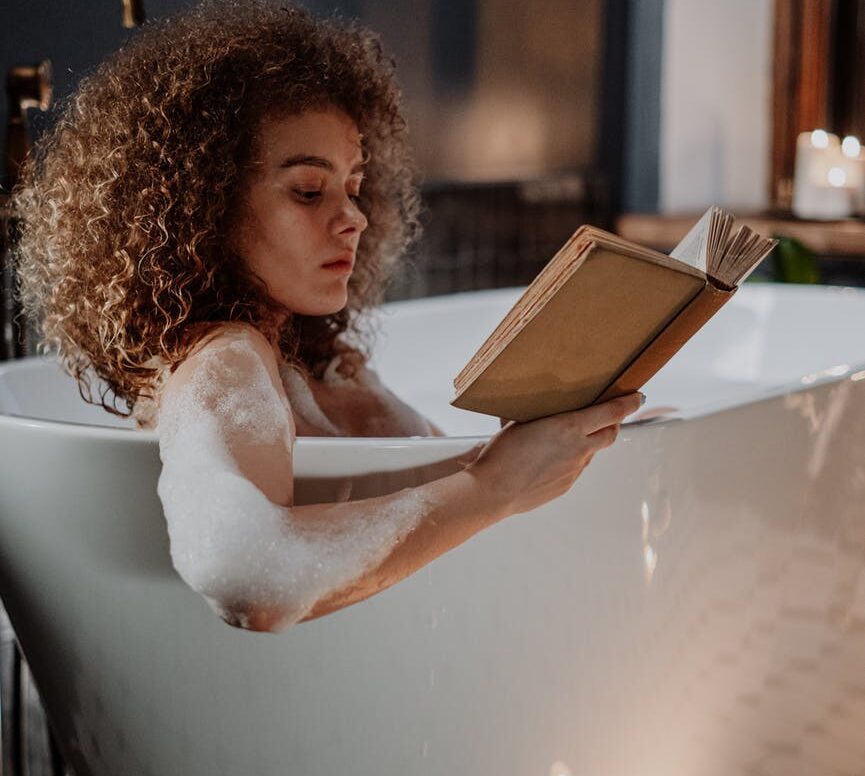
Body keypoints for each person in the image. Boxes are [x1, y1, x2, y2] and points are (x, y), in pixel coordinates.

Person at [13, 0, 643, 632]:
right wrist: (494, 487)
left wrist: (529, 444)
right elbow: (248, 575)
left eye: (353, 187)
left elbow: (433, 469)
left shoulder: (320, 360)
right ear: (200, 208)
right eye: (309, 191)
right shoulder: (226, 359)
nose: (354, 218)